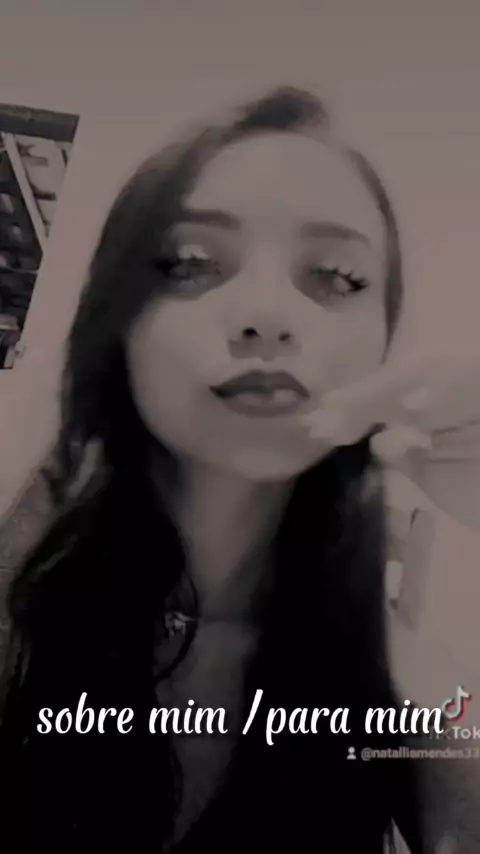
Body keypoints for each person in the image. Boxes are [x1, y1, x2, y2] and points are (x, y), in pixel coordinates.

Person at [0, 85, 478, 854]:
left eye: (336, 276)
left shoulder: (403, 680)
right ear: (118, 324)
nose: (268, 312)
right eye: (193, 262)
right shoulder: (18, 595)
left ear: (382, 345)